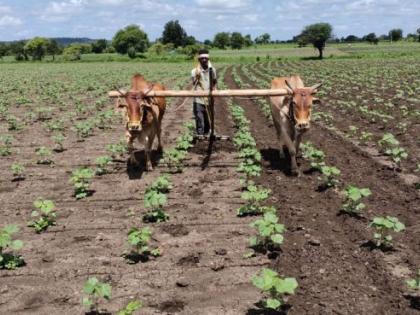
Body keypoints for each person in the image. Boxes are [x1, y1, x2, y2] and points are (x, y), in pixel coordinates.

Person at [191, 49, 217, 136]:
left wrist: (214, 91)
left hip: (209, 99)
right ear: (199, 60)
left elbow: (214, 82)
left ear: (208, 59)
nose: (204, 60)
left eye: (206, 58)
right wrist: (197, 76)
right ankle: (200, 136)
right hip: (198, 99)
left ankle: (208, 133)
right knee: (199, 119)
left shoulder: (212, 70)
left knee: (208, 119)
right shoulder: (194, 71)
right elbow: (194, 84)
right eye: (202, 58)